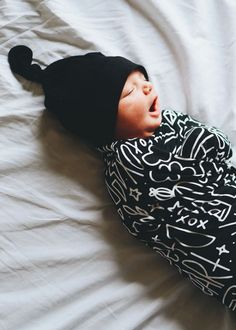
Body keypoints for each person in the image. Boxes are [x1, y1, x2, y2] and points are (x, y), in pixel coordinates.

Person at [8, 45, 236, 311]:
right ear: (102, 121)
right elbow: (212, 148)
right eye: (131, 91)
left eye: (145, 81)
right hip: (215, 240)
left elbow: (221, 150)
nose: (148, 89)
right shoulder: (127, 160)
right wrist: (177, 126)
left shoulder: (161, 134)